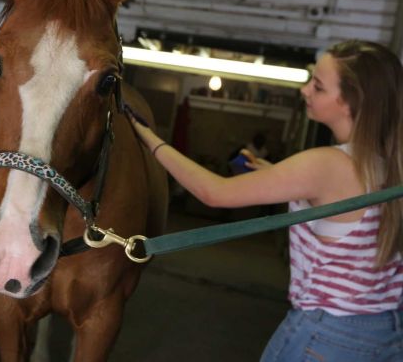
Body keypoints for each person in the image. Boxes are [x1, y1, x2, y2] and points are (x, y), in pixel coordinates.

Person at [128, 40, 403, 361]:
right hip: (387, 332)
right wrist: (275, 173)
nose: (304, 91)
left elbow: (213, 193)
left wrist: (149, 138)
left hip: (326, 334)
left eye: (318, 86)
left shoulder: (327, 164)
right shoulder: (388, 163)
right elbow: (340, 200)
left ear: (349, 103)